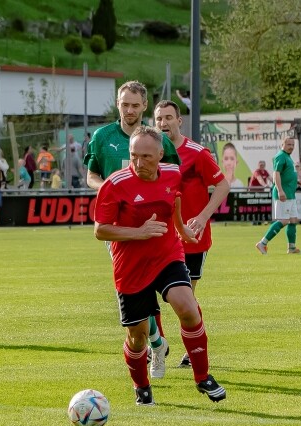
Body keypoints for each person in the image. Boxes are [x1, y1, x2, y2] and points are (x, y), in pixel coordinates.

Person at [92, 125, 226, 406]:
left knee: (188, 308)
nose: (139, 163)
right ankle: (141, 386)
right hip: (130, 266)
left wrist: (181, 229)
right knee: (138, 338)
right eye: (133, 156)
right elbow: (101, 230)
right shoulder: (114, 184)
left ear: (161, 154)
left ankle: (202, 377)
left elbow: (174, 201)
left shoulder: (172, 174)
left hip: (167, 254)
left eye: (146, 157)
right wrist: (138, 233)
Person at [84, 80, 181, 378]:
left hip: (154, 227)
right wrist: (111, 191)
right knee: (133, 291)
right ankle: (156, 343)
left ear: (144, 108)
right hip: (120, 228)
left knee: (155, 288)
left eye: (135, 105)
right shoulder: (102, 137)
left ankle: (156, 347)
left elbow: (174, 181)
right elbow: (91, 176)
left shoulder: (157, 141)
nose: (129, 110)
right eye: (124, 104)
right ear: (118, 104)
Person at [154, 100, 231, 369]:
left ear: (179, 121)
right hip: (161, 236)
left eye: (168, 118)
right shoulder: (153, 154)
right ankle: (157, 344)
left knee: (186, 298)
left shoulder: (197, 153)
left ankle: (192, 350)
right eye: (158, 119)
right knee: (147, 295)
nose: (163, 123)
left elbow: (222, 185)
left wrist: (203, 215)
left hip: (192, 239)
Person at [255, 137, 301, 255]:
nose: (291, 146)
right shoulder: (280, 156)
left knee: (293, 220)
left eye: (292, 144)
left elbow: (287, 174)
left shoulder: (288, 157)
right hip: (284, 194)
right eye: (288, 144)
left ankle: (291, 248)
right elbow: (276, 174)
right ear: (283, 144)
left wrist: (297, 181)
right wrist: (280, 190)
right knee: (284, 220)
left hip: (290, 194)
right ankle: (262, 243)